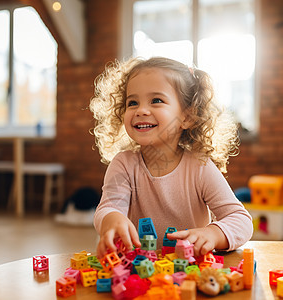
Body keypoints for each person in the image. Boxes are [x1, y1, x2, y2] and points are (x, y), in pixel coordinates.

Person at [89, 56, 253, 258]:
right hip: (141, 271)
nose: (141, 110)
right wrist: (112, 219)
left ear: (187, 117)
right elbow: (108, 207)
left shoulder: (199, 165)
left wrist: (213, 233)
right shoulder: (123, 164)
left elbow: (240, 219)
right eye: (132, 102)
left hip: (190, 271)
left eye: (156, 100)